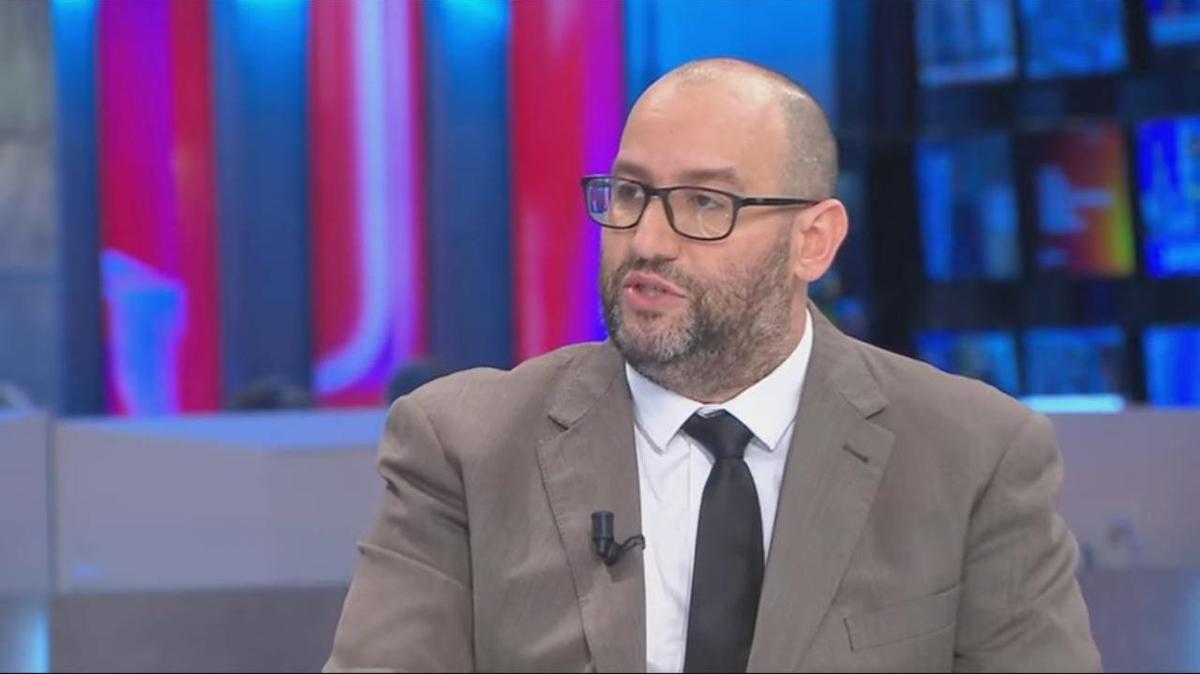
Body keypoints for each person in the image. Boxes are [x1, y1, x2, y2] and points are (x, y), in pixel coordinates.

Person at [325, 58, 1100, 673]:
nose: (648, 240)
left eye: (703, 203)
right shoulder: (465, 447)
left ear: (814, 242)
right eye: (630, 193)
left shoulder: (973, 455)